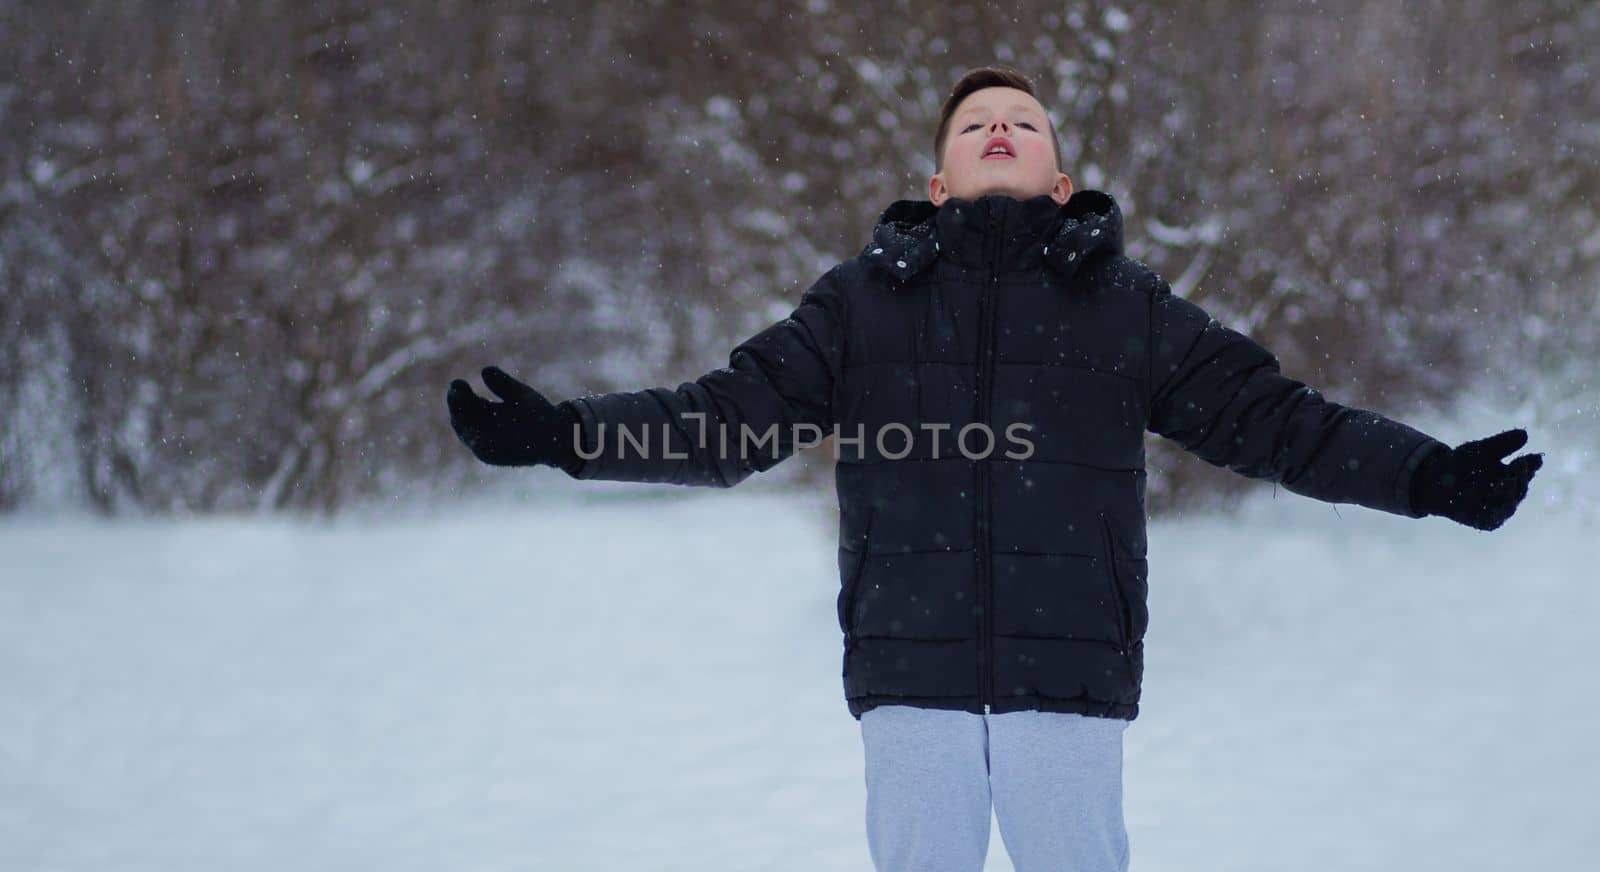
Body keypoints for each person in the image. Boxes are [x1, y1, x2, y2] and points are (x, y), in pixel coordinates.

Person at [446, 66, 1542, 872]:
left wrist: (1425, 475)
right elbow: (726, 420)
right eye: (978, 122)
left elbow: (1273, 419)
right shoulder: (858, 304)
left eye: (1022, 120)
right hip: (908, 669)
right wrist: (566, 436)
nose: (1001, 128)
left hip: (1067, 671)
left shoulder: (1127, 308)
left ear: (1061, 180)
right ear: (938, 175)